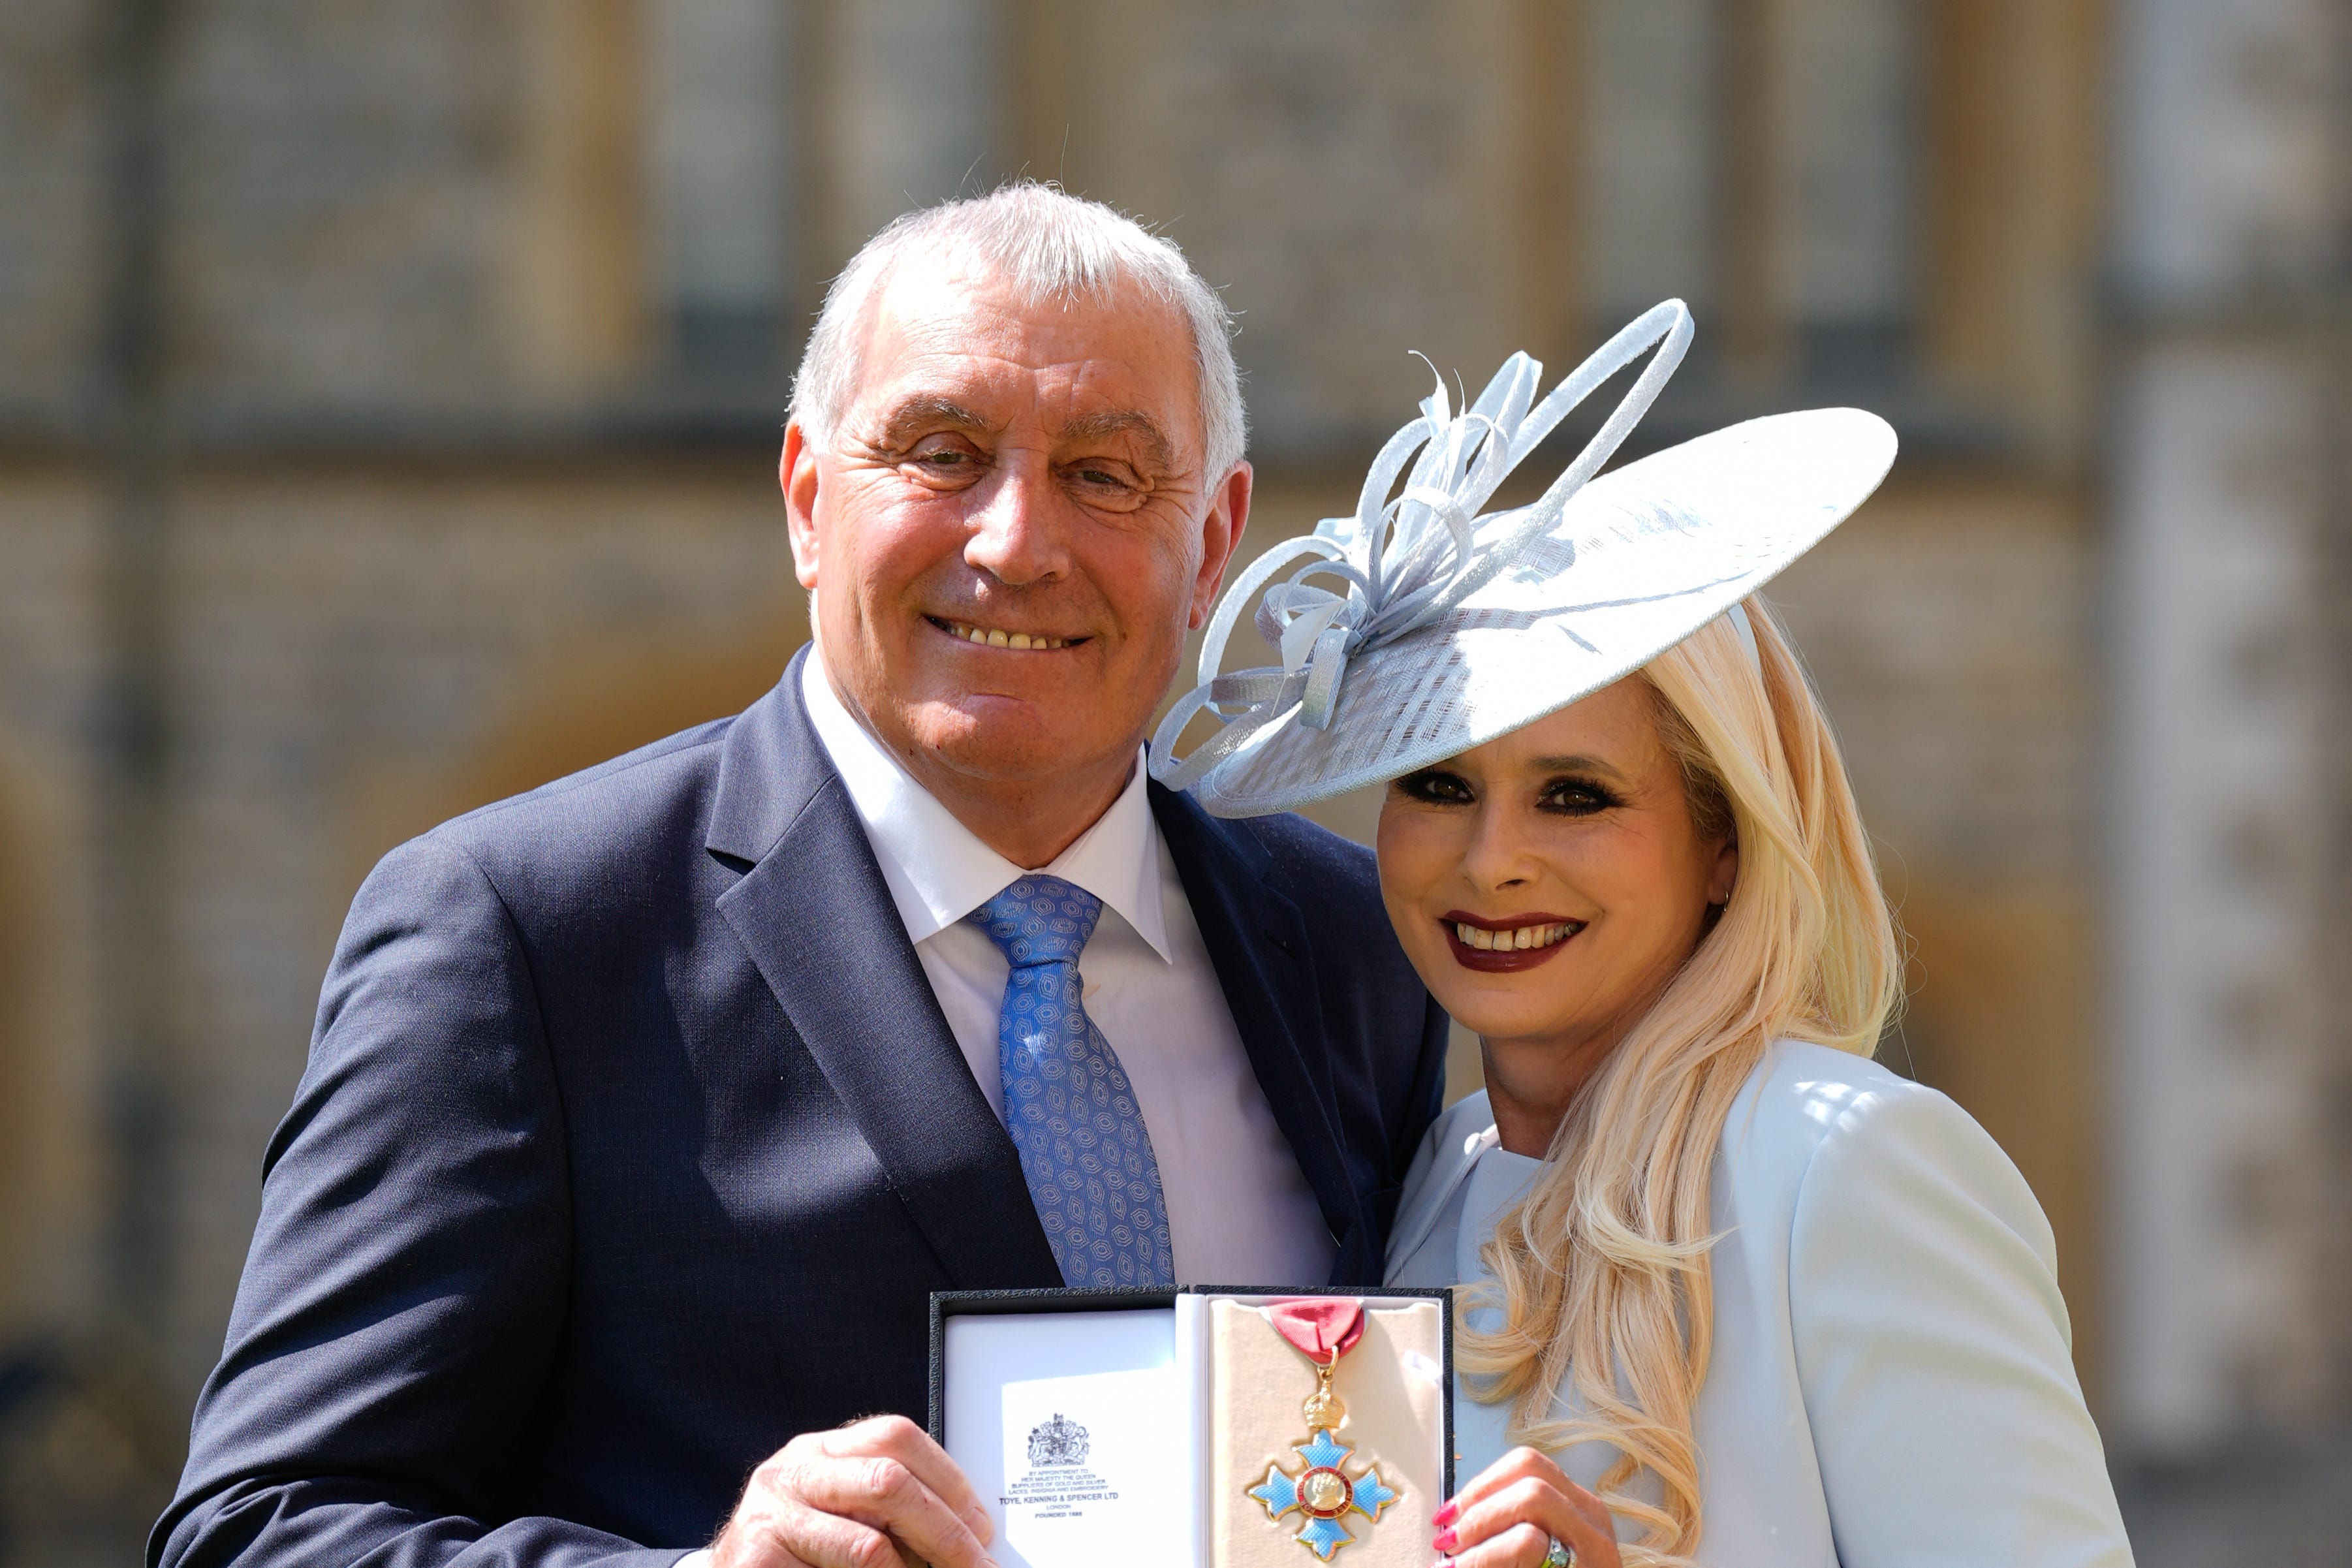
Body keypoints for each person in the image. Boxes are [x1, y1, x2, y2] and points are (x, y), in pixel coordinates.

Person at [151, 184, 1450, 1568]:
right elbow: (256, 1533)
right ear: (807, 499)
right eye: (941, 452)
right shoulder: (523, 934)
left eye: (1106, 472)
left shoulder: (1355, 945)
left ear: (1210, 544)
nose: (1015, 542)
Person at [1155, 302, 2135, 1565]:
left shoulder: (1848, 1167)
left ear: (1723, 842)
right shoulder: (1429, 1177)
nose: (1492, 858)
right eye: (1441, 785)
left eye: (1578, 795)